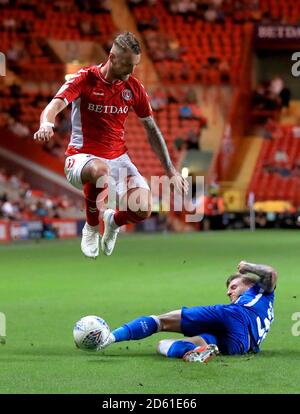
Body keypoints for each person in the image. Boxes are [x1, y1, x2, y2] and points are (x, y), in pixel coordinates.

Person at [34, 32, 187, 258]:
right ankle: (91, 227)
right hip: (81, 157)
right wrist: (47, 123)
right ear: (112, 57)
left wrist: (170, 170)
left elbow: (152, 130)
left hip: (118, 158)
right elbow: (54, 106)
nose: (131, 71)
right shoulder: (85, 78)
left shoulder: (134, 88)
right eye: (127, 64)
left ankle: (113, 221)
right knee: (100, 170)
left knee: (143, 209)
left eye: (134, 65)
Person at [98, 261, 277, 363]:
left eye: (234, 287)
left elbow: (270, 273)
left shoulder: (260, 290)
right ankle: (193, 353)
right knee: (163, 344)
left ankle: (110, 338)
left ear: (250, 284)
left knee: (161, 322)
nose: (228, 292)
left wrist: (248, 267)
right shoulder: (265, 306)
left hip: (235, 316)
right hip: (242, 345)